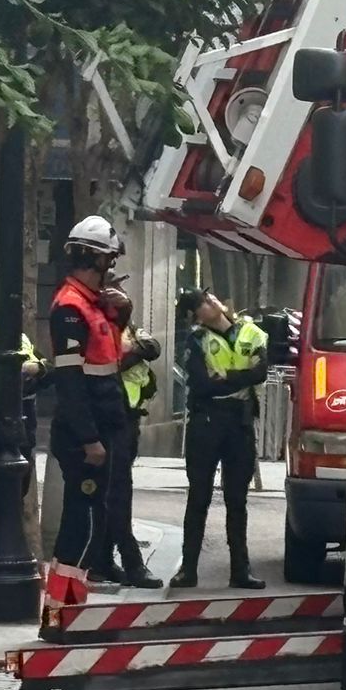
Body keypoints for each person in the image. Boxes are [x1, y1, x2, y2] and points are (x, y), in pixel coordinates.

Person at [43, 215, 128, 611]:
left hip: (104, 429)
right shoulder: (70, 308)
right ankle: (62, 610)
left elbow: (110, 358)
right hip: (85, 437)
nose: (111, 268)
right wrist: (90, 438)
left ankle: (67, 607)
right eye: (108, 260)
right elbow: (71, 381)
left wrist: (120, 314)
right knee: (83, 525)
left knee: (89, 521)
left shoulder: (95, 306)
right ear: (95, 260)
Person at [175, 289, 269, 591]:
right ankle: (188, 570)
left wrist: (226, 379)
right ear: (195, 317)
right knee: (199, 495)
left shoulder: (251, 331)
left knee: (237, 500)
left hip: (239, 423)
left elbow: (261, 372)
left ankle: (241, 570)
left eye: (209, 297)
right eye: (202, 304)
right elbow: (201, 385)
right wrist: (240, 376)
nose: (211, 303)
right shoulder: (196, 340)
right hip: (207, 421)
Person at [89, 286, 161, 589]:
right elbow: (116, 360)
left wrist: (133, 348)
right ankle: (130, 562)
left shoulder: (127, 327)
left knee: (117, 492)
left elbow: (152, 347)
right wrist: (131, 351)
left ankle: (103, 561)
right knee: (114, 494)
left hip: (129, 417)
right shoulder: (97, 326)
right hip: (107, 418)